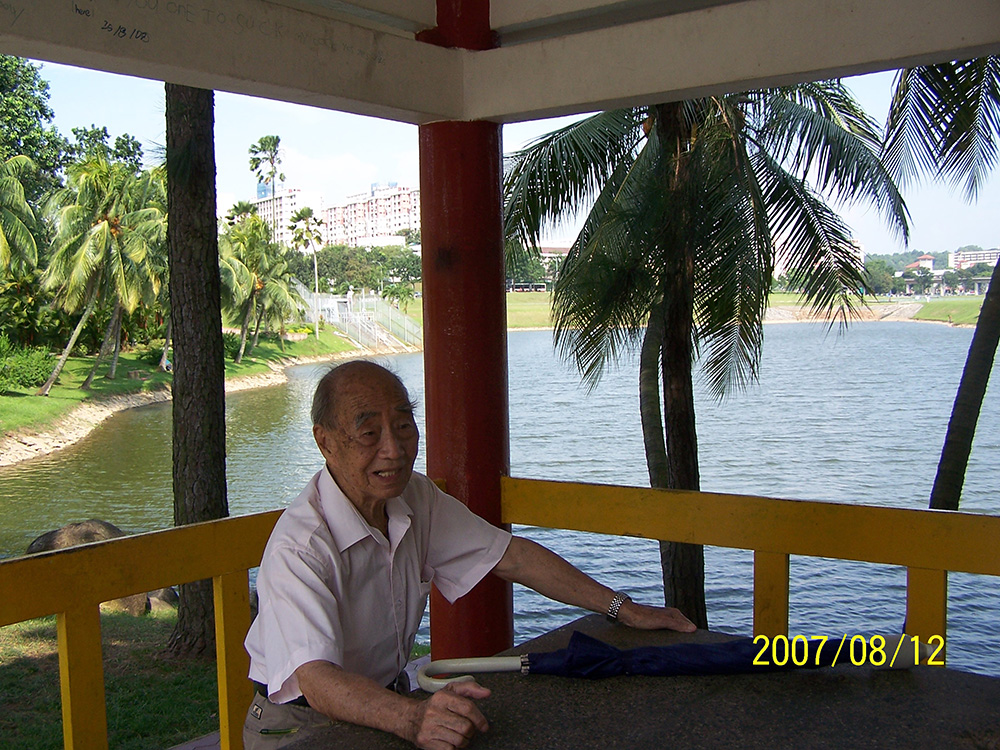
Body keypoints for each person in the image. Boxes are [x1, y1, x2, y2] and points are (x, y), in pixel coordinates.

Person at [243, 360, 695, 749]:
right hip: (298, 723)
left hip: (382, 698)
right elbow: (317, 680)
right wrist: (413, 718)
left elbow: (511, 557)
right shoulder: (300, 547)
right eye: (369, 433)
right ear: (324, 442)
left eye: (404, 426)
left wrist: (622, 608)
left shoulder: (414, 497)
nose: (394, 450)